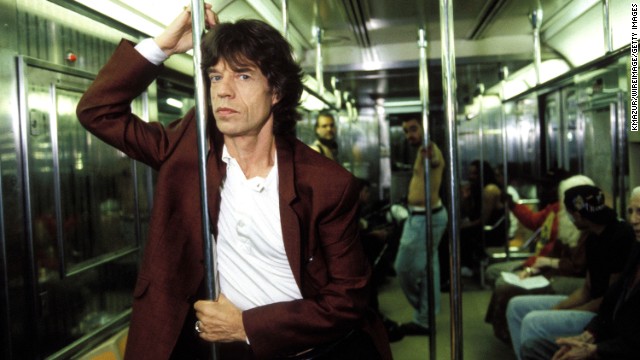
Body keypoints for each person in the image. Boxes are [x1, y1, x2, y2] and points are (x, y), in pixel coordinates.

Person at [76, 6, 391, 360]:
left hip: (300, 350)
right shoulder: (189, 150)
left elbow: (347, 299)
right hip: (211, 349)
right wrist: (162, 46)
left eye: (242, 76)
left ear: (276, 92)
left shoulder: (326, 185)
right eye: (214, 77)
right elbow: (97, 111)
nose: (223, 91)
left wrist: (246, 326)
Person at [506, 185, 635, 360]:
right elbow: (587, 290)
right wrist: (558, 309)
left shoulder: (621, 237)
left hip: (600, 314)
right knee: (516, 306)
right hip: (592, 303)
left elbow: (609, 300)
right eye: (631, 211)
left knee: (533, 321)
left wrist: (559, 312)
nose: (634, 219)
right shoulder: (592, 237)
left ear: (578, 215)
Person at [484, 175, 592, 343]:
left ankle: (508, 332)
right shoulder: (560, 213)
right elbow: (535, 222)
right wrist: (532, 268)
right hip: (546, 264)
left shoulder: (588, 228)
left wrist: (546, 264)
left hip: (564, 273)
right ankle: (507, 330)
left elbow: (578, 266)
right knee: (499, 279)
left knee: (504, 287)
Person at [391, 118, 447, 339]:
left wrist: (429, 155)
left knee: (403, 268)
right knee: (428, 270)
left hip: (426, 219)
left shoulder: (430, 150)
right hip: (424, 216)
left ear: (425, 127)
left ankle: (424, 312)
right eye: (406, 131)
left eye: (413, 129)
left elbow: (433, 160)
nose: (409, 135)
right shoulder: (420, 151)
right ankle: (425, 319)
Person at [460, 160, 506, 275]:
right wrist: (466, 198)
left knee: (460, 232)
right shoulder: (477, 189)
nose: (471, 177)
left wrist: (465, 225)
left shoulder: (490, 190)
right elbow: (469, 213)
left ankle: (466, 266)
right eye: (470, 173)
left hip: (493, 231)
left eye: (475, 174)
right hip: (483, 228)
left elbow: (483, 220)